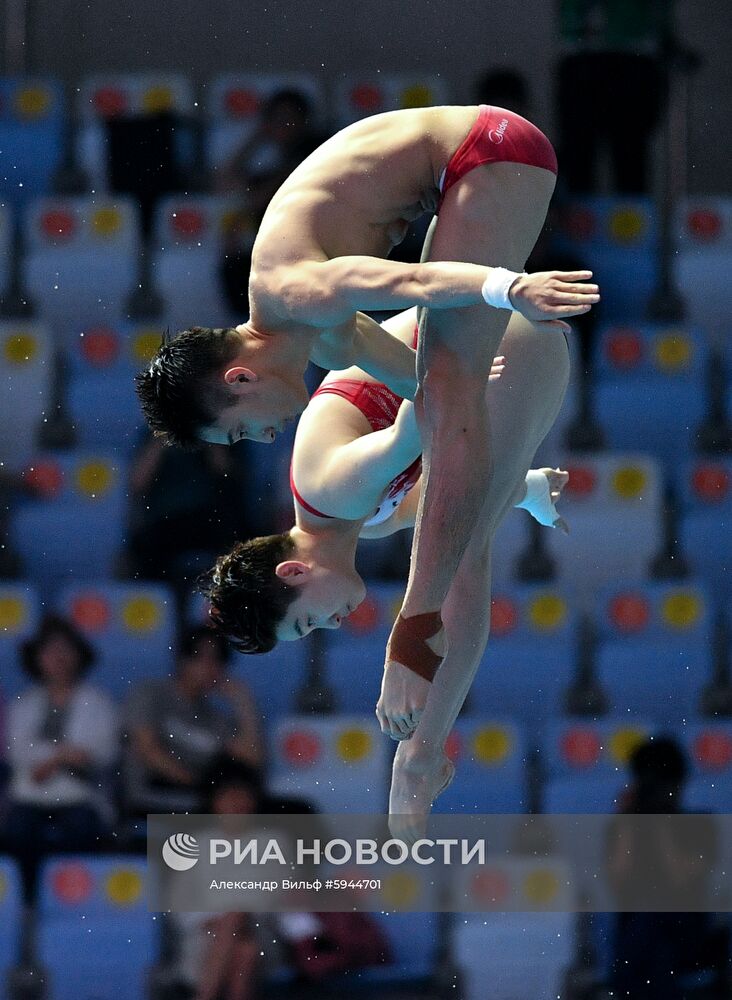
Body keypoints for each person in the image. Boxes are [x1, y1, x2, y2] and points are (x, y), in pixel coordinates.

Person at [137, 104, 598, 736]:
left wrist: (506, 290)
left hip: (486, 150)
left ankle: (417, 700)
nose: (264, 439)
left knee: (454, 510)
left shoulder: (295, 295)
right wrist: (521, 490)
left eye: (242, 429)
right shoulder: (324, 345)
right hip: (463, 177)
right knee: (451, 502)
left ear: (238, 379)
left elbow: (394, 286)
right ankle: (424, 728)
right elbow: (421, 397)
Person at [3, 615, 118, 899]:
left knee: (80, 830)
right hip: (30, 795)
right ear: (37, 659)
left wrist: (53, 759)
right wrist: (63, 755)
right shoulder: (23, 705)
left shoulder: (99, 703)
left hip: (81, 795)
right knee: (18, 830)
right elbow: (18, 751)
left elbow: (103, 751)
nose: (59, 658)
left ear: (79, 656)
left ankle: (70, 902)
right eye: (51, 651)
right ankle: (27, 904)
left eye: (66, 650)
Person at [122, 627, 262, 816]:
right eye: (201, 658)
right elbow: (147, 750)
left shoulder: (216, 719)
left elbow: (251, 761)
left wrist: (244, 704)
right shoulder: (150, 694)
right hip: (151, 794)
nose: (210, 668)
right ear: (182, 660)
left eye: (218, 660)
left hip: (201, 801)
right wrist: (200, 785)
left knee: (287, 812)